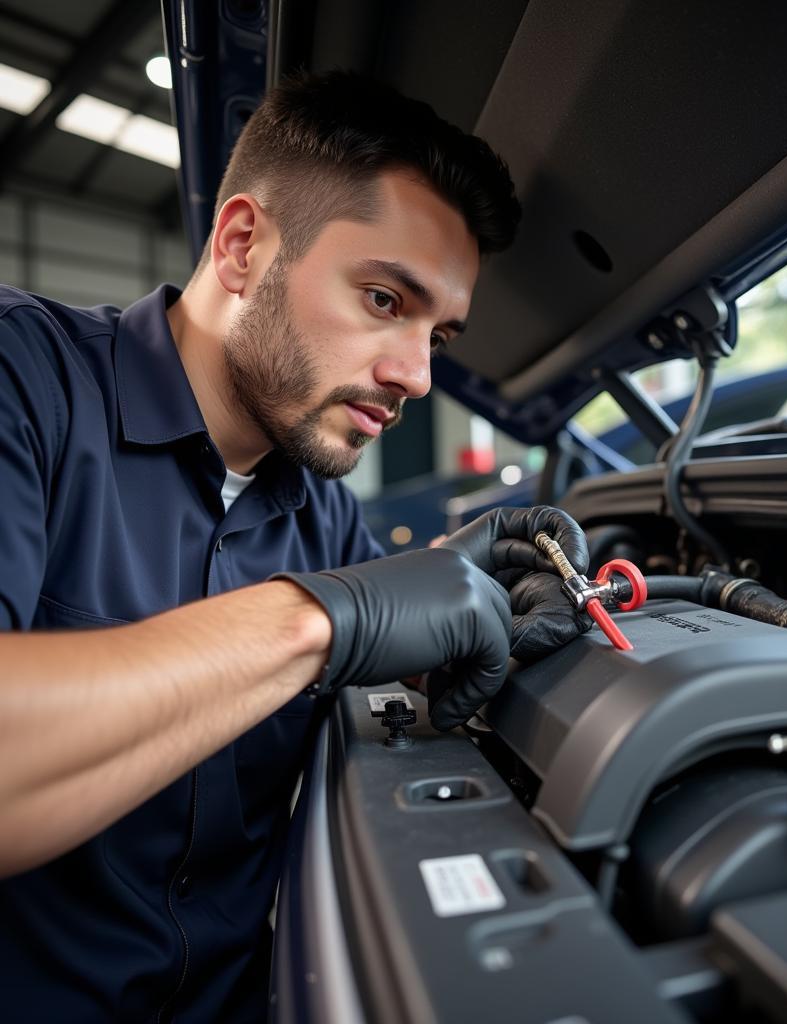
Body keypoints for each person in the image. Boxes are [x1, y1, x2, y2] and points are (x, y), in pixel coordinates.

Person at [0, 70, 591, 1021]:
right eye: (386, 300)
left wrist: (492, 613)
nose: (416, 374)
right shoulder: (23, 383)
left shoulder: (322, 517)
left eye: (440, 332)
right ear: (243, 247)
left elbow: (397, 673)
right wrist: (322, 618)